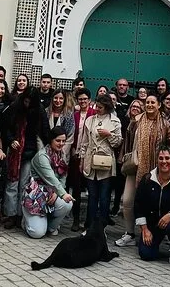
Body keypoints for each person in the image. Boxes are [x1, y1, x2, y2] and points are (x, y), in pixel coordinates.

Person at [2, 88, 49, 229]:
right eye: (26, 101)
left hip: (30, 152)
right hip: (15, 152)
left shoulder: (39, 110)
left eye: (30, 102)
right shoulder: (15, 107)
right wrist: (11, 140)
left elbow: (44, 131)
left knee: (24, 184)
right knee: (12, 183)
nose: (27, 104)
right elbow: (5, 127)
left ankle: (20, 215)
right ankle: (10, 215)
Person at [134, 145, 170, 264]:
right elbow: (138, 205)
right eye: (161, 158)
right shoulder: (147, 179)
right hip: (153, 223)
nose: (164, 161)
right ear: (157, 160)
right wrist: (144, 229)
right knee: (146, 254)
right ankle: (155, 243)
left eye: (167, 158)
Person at [22, 126, 75, 238]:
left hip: (52, 192)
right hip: (36, 195)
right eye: (58, 140)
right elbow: (51, 178)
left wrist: (57, 193)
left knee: (67, 204)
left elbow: (63, 176)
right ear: (51, 140)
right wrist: (63, 194)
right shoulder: (42, 156)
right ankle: (26, 221)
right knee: (37, 234)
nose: (61, 144)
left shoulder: (62, 154)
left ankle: (50, 227)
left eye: (63, 141)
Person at [79, 94, 122, 228]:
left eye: (100, 107)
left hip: (106, 161)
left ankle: (101, 226)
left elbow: (117, 143)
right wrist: (82, 159)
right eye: (96, 106)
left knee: (104, 196)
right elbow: (84, 142)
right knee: (92, 195)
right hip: (90, 159)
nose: (97, 109)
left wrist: (109, 135)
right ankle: (89, 225)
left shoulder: (115, 121)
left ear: (107, 107)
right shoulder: (90, 120)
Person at [115, 99, 144, 247]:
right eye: (133, 106)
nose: (135, 108)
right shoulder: (129, 123)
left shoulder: (144, 124)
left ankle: (146, 233)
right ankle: (130, 233)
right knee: (127, 200)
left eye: (139, 106)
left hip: (145, 167)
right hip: (132, 166)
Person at [68, 87, 95, 231]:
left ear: (89, 100)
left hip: (90, 157)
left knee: (91, 189)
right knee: (76, 189)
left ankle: (89, 221)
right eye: (80, 99)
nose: (83, 101)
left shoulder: (94, 115)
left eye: (85, 99)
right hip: (76, 156)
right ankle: (76, 219)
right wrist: (72, 148)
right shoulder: (75, 115)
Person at [134, 95, 170, 184]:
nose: (149, 105)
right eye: (147, 102)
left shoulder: (165, 124)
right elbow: (129, 141)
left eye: (152, 102)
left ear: (159, 105)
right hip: (137, 164)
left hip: (158, 164)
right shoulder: (137, 121)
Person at [111, 78, 134, 217]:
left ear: (128, 87)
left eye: (124, 85)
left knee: (123, 177)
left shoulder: (132, 100)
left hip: (127, 144)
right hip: (113, 144)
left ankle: (121, 206)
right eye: (120, 85)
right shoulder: (111, 98)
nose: (122, 87)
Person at [45, 88, 75, 163]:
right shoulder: (46, 112)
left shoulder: (68, 114)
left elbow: (70, 135)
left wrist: (61, 151)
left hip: (63, 151)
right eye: (55, 98)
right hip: (46, 150)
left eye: (61, 98)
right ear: (52, 99)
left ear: (64, 100)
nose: (58, 100)